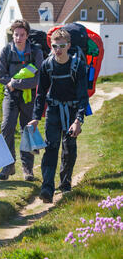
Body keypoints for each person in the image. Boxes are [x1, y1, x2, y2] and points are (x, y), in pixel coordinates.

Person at [27, 29, 88, 203]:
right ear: (51, 46)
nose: (58, 49)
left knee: (69, 148)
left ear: (68, 45)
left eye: (62, 46)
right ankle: (47, 188)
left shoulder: (78, 66)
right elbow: (40, 94)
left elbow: (83, 96)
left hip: (71, 111)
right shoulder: (47, 65)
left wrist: (78, 120)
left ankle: (65, 183)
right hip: (53, 110)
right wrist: (36, 117)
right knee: (51, 148)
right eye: (55, 46)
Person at [0, 19, 43, 181]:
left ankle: (27, 169)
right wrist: (10, 84)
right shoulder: (6, 51)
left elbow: (39, 78)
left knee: (27, 130)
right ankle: (8, 165)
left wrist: (15, 83)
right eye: (16, 34)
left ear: (27, 36)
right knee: (6, 127)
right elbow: (0, 76)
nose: (18, 38)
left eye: (22, 35)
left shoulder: (36, 52)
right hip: (10, 96)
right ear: (13, 35)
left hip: (29, 96)